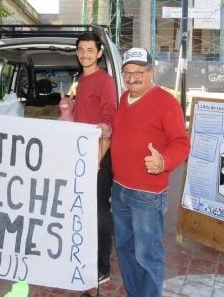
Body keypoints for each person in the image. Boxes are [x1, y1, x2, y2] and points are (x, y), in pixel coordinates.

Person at [110, 47, 190, 297]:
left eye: (139, 72)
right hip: (120, 188)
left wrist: (164, 161)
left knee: (148, 255)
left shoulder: (166, 102)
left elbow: (181, 143)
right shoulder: (124, 99)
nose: (133, 78)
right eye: (128, 72)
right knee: (125, 249)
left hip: (147, 194)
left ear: (151, 72)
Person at [72, 32, 117, 284]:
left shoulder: (104, 81)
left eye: (90, 50)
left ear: (99, 53)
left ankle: (102, 267)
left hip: (99, 157)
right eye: (81, 49)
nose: (85, 54)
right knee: (84, 210)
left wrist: (98, 159)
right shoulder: (82, 79)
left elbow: (108, 124)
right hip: (82, 155)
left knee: (100, 211)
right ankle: (86, 257)